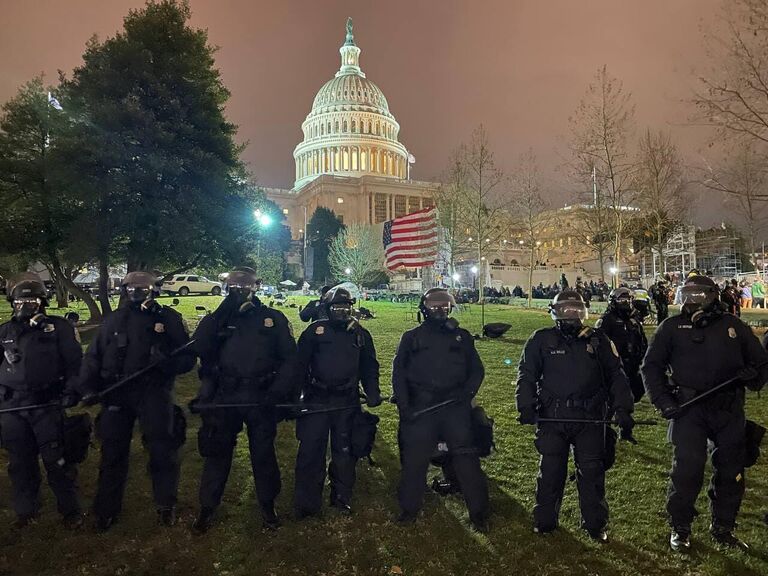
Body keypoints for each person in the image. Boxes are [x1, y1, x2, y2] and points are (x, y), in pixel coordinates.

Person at [642, 274, 768, 552]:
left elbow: (761, 364)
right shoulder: (671, 328)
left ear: (712, 296)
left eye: (698, 296)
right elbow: (651, 368)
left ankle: (723, 527)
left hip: (728, 409)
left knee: (731, 471)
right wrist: (663, 401)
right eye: (686, 295)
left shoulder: (734, 326)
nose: (691, 301)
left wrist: (752, 376)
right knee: (686, 470)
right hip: (689, 410)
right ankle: (681, 528)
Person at [79, 271, 194, 531]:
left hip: (153, 391)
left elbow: (187, 359)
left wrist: (166, 362)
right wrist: (86, 387)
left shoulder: (169, 319)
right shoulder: (114, 320)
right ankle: (106, 510)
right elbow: (94, 356)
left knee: (161, 450)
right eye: (131, 289)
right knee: (112, 453)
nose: (136, 293)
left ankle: (165, 504)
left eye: (142, 289)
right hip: (116, 392)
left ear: (154, 290)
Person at [516, 290, 634, 542]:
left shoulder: (599, 340)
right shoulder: (541, 339)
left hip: (590, 417)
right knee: (550, 471)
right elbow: (526, 375)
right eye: (565, 311)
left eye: (575, 311)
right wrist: (525, 406)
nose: (571, 316)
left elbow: (616, 376)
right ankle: (545, 520)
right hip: (553, 417)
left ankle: (595, 524)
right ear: (555, 312)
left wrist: (623, 408)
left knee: (592, 473)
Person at [190, 267, 296, 533]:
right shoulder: (219, 319)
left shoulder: (272, 318)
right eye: (233, 289)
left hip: (261, 396)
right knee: (218, 452)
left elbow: (289, 359)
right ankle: (208, 506)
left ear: (255, 288)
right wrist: (218, 318)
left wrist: (278, 392)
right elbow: (199, 349)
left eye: (243, 288)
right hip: (226, 395)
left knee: (263, 454)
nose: (238, 293)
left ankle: (267, 504)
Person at [392, 288, 489, 532]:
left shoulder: (463, 337)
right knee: (415, 462)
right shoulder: (411, 338)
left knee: (467, 460)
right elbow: (399, 374)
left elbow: (477, 370)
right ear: (424, 309)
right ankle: (409, 509)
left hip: (455, 408)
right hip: (421, 408)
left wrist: (467, 394)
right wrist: (405, 407)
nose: (440, 310)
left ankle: (479, 514)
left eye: (445, 306)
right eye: (435, 305)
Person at [0, 273, 84, 528]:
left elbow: (74, 365)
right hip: (13, 408)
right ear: (11, 303)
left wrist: (72, 391)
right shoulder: (4, 331)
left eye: (33, 300)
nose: (26, 305)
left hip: (48, 405)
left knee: (57, 461)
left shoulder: (59, 328)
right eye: (20, 302)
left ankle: (69, 511)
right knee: (20, 462)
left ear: (42, 301)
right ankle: (26, 510)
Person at [293, 287, 381, 517]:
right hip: (317, 399)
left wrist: (372, 392)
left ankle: (341, 496)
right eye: (337, 308)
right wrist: (293, 396)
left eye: (346, 308)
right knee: (311, 451)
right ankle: (307, 502)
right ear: (328, 309)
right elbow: (298, 366)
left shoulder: (360, 334)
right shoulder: (314, 332)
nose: (342, 312)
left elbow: (369, 366)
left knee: (345, 451)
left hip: (347, 400)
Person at [596, 288, 648, 402]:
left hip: (632, 366)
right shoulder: (607, 320)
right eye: (622, 300)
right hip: (614, 367)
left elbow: (643, 342)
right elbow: (599, 344)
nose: (626, 303)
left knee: (634, 393)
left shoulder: (634, 321)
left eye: (629, 300)